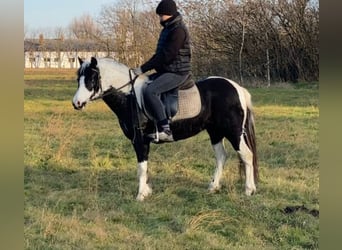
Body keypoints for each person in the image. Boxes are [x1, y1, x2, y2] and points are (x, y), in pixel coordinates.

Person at [133, 0, 192, 142]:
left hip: (177, 72)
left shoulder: (178, 30)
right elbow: (159, 54)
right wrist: (143, 68)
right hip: (167, 70)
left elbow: (167, 56)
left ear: (169, 14)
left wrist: (143, 68)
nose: (159, 18)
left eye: (161, 15)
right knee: (142, 85)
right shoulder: (168, 29)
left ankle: (165, 129)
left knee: (150, 91)